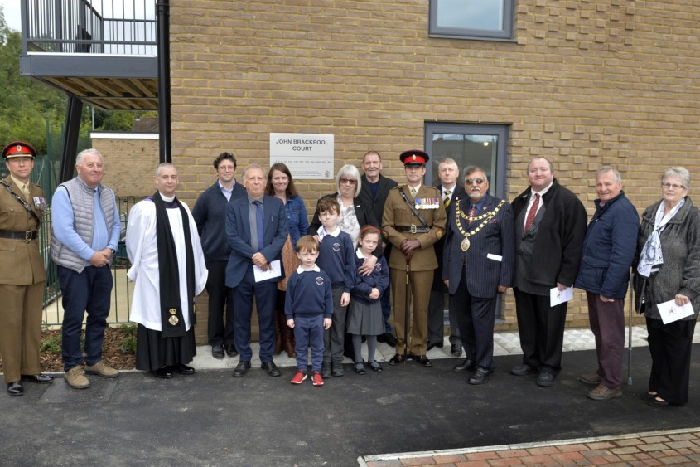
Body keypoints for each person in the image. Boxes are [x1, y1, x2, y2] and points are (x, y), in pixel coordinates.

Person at [510, 157, 587, 387]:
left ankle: (549, 365)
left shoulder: (568, 201)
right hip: (523, 274)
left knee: (550, 324)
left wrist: (566, 277)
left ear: (552, 173)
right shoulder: (522, 200)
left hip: (552, 278)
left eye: (543, 169)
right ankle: (531, 360)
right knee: (527, 321)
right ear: (528, 175)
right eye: (533, 170)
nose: (538, 173)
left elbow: (575, 243)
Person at [127, 163, 208, 378]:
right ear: (156, 180)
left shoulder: (183, 209)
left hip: (180, 275)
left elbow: (193, 243)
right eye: (165, 177)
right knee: (157, 315)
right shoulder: (145, 209)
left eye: (173, 177)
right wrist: (143, 267)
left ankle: (179, 360)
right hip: (155, 276)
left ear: (177, 180)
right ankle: (160, 363)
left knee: (181, 312)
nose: (169, 181)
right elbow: (134, 244)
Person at [51, 148, 121, 389]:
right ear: (78, 168)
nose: (96, 169)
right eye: (90, 165)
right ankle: (71, 366)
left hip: (102, 264)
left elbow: (116, 225)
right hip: (76, 266)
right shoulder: (65, 192)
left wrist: (109, 250)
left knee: (99, 316)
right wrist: (90, 255)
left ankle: (93, 360)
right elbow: (63, 231)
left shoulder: (107, 193)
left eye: (99, 165)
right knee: (73, 318)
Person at [633, 167, 700, 407]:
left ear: (686, 190)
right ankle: (657, 386)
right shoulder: (651, 212)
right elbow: (640, 249)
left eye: (676, 185)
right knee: (657, 344)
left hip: (678, 296)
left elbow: (697, 257)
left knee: (676, 347)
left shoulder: (693, 217)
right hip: (652, 292)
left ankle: (672, 394)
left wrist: (689, 290)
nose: (670, 188)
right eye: (667, 184)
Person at [443, 166, 514, 385]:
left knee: (482, 323)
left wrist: (505, 279)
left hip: (486, 275)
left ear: (487, 183)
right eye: (469, 182)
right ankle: (471, 358)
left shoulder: (502, 208)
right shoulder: (457, 207)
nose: (474, 185)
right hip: (459, 275)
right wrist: (447, 272)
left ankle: (485, 365)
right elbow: (449, 242)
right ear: (464, 185)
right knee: (464, 321)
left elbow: (509, 246)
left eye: (479, 181)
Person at [574, 167, 639, 401]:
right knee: (600, 331)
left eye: (608, 184)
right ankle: (604, 371)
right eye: (599, 184)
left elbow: (623, 255)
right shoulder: (606, 209)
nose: (603, 188)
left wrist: (610, 289)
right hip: (595, 282)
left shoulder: (622, 212)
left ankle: (612, 383)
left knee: (611, 335)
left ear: (619, 185)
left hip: (607, 286)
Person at [382, 149, 447, 367]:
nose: (413, 171)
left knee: (421, 305)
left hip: (424, 256)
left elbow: (439, 227)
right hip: (399, 256)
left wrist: (419, 242)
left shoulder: (433, 193)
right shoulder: (394, 194)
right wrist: (402, 241)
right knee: (399, 304)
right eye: (409, 167)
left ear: (424, 170)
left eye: (417, 168)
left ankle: (419, 348)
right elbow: (386, 226)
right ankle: (401, 347)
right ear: (405, 170)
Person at [0, 141, 52, 396]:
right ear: (8, 165)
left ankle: (31, 368)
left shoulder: (38, 190)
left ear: (32, 163)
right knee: (10, 322)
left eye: (26, 160)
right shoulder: (0, 190)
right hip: (7, 263)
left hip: (33, 260)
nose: (22, 164)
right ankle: (12, 376)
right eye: (16, 160)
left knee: (32, 321)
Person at [226, 164, 287, 378]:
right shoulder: (234, 206)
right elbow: (232, 237)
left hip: (266, 270)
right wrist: (254, 256)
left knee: (267, 316)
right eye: (252, 179)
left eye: (260, 178)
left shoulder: (276, 205)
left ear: (265, 182)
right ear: (244, 183)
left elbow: (281, 235)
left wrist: (266, 255)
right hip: (242, 270)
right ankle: (244, 358)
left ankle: (267, 359)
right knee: (241, 317)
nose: (256, 182)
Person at [192, 152, 246, 360]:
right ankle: (216, 342)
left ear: (234, 170)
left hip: (238, 258)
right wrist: (201, 248)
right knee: (216, 302)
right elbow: (195, 224)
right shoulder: (207, 196)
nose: (226, 170)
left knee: (235, 303)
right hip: (214, 259)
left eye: (230, 167)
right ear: (216, 171)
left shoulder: (244, 194)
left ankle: (231, 342)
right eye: (222, 167)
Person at [266, 162, 309, 358]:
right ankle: (279, 339)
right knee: (274, 297)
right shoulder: (266, 200)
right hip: (273, 253)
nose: (281, 181)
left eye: (284, 177)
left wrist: (302, 253)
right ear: (271, 180)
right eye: (277, 178)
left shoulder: (297, 201)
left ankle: (290, 340)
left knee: (289, 296)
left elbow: (303, 228)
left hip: (292, 252)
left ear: (288, 179)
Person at [428, 158, 467, 356]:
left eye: (450, 169)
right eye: (443, 170)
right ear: (439, 173)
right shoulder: (429, 194)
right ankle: (433, 337)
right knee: (434, 298)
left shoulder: (466, 195)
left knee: (455, 299)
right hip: (433, 253)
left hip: (456, 255)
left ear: (457, 173)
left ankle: (456, 340)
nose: (446, 173)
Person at [313, 197, 355, 378]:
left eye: (331, 214)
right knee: (323, 326)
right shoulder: (316, 239)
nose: (327, 217)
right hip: (319, 289)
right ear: (320, 217)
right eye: (323, 214)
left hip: (339, 289)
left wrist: (347, 289)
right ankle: (325, 361)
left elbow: (350, 265)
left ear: (338, 215)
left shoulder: (344, 238)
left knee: (338, 325)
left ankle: (337, 361)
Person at [360, 151, 398, 346]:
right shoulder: (357, 185)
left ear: (381, 165)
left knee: (382, 287)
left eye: (375, 162)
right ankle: (365, 329)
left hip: (386, 245)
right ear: (363, 166)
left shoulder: (391, 186)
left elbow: (395, 217)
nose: (371, 166)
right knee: (362, 286)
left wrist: (381, 243)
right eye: (368, 163)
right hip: (362, 246)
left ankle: (384, 329)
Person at [285, 236, 333, 387]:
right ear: (298, 255)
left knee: (318, 346)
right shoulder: (295, 276)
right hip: (300, 318)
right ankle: (301, 371)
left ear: (317, 254)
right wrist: (289, 316)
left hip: (318, 317)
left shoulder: (322, 275)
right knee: (300, 346)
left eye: (312, 254)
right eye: (305, 254)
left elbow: (328, 297)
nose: (308, 258)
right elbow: (289, 298)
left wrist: (328, 316)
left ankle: (317, 372)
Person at [348, 226, 389, 375]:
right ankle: (358, 360)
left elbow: (385, 276)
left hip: (375, 300)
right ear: (360, 241)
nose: (371, 245)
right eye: (368, 241)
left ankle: (372, 359)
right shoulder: (354, 259)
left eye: (374, 242)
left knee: (373, 331)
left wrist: (378, 289)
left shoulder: (380, 259)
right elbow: (354, 280)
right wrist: (369, 290)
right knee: (357, 331)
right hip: (359, 299)